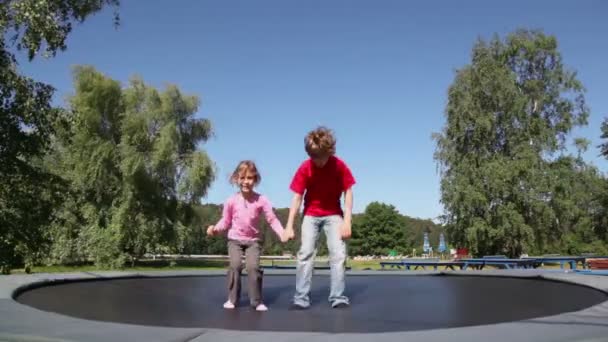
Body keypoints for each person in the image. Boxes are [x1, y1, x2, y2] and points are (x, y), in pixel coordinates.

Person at [284, 126, 355, 309]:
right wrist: (289, 225)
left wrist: (347, 220)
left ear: (329, 152)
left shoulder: (339, 166)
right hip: (310, 214)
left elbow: (348, 191)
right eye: (313, 156)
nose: (317, 161)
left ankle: (338, 297)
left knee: (338, 254)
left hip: (334, 214)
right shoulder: (305, 167)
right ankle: (301, 298)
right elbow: (297, 197)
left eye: (320, 156)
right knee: (305, 253)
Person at [207, 160, 288, 311]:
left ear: (255, 180)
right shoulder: (231, 201)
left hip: (253, 241)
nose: (246, 182)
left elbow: (272, 219)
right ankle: (232, 299)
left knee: (253, 267)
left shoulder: (261, 200)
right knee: (235, 265)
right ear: (236, 179)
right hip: (235, 240)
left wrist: (282, 233)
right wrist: (215, 229)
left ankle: (256, 301)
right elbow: (225, 221)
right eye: (242, 178)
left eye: (250, 178)